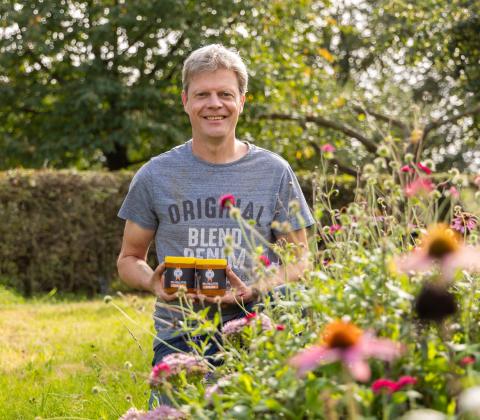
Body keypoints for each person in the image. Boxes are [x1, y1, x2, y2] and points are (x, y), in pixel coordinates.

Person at [116, 44, 314, 405]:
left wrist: (253, 288)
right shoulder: (154, 175)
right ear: (185, 100)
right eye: (202, 94)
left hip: (257, 328)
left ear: (242, 100)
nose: (214, 104)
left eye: (225, 94)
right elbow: (129, 257)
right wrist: (152, 281)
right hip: (181, 332)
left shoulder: (275, 172)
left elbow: (300, 261)